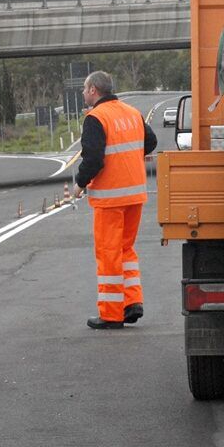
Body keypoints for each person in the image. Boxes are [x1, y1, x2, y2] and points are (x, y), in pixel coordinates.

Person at [74, 71, 157, 329]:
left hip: (110, 197)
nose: (83, 94)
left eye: (85, 89)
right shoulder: (132, 113)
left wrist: (80, 182)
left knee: (109, 252)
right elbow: (151, 141)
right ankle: (132, 302)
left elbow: (94, 158)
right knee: (126, 249)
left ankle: (111, 313)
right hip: (134, 194)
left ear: (94, 91)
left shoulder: (95, 118)